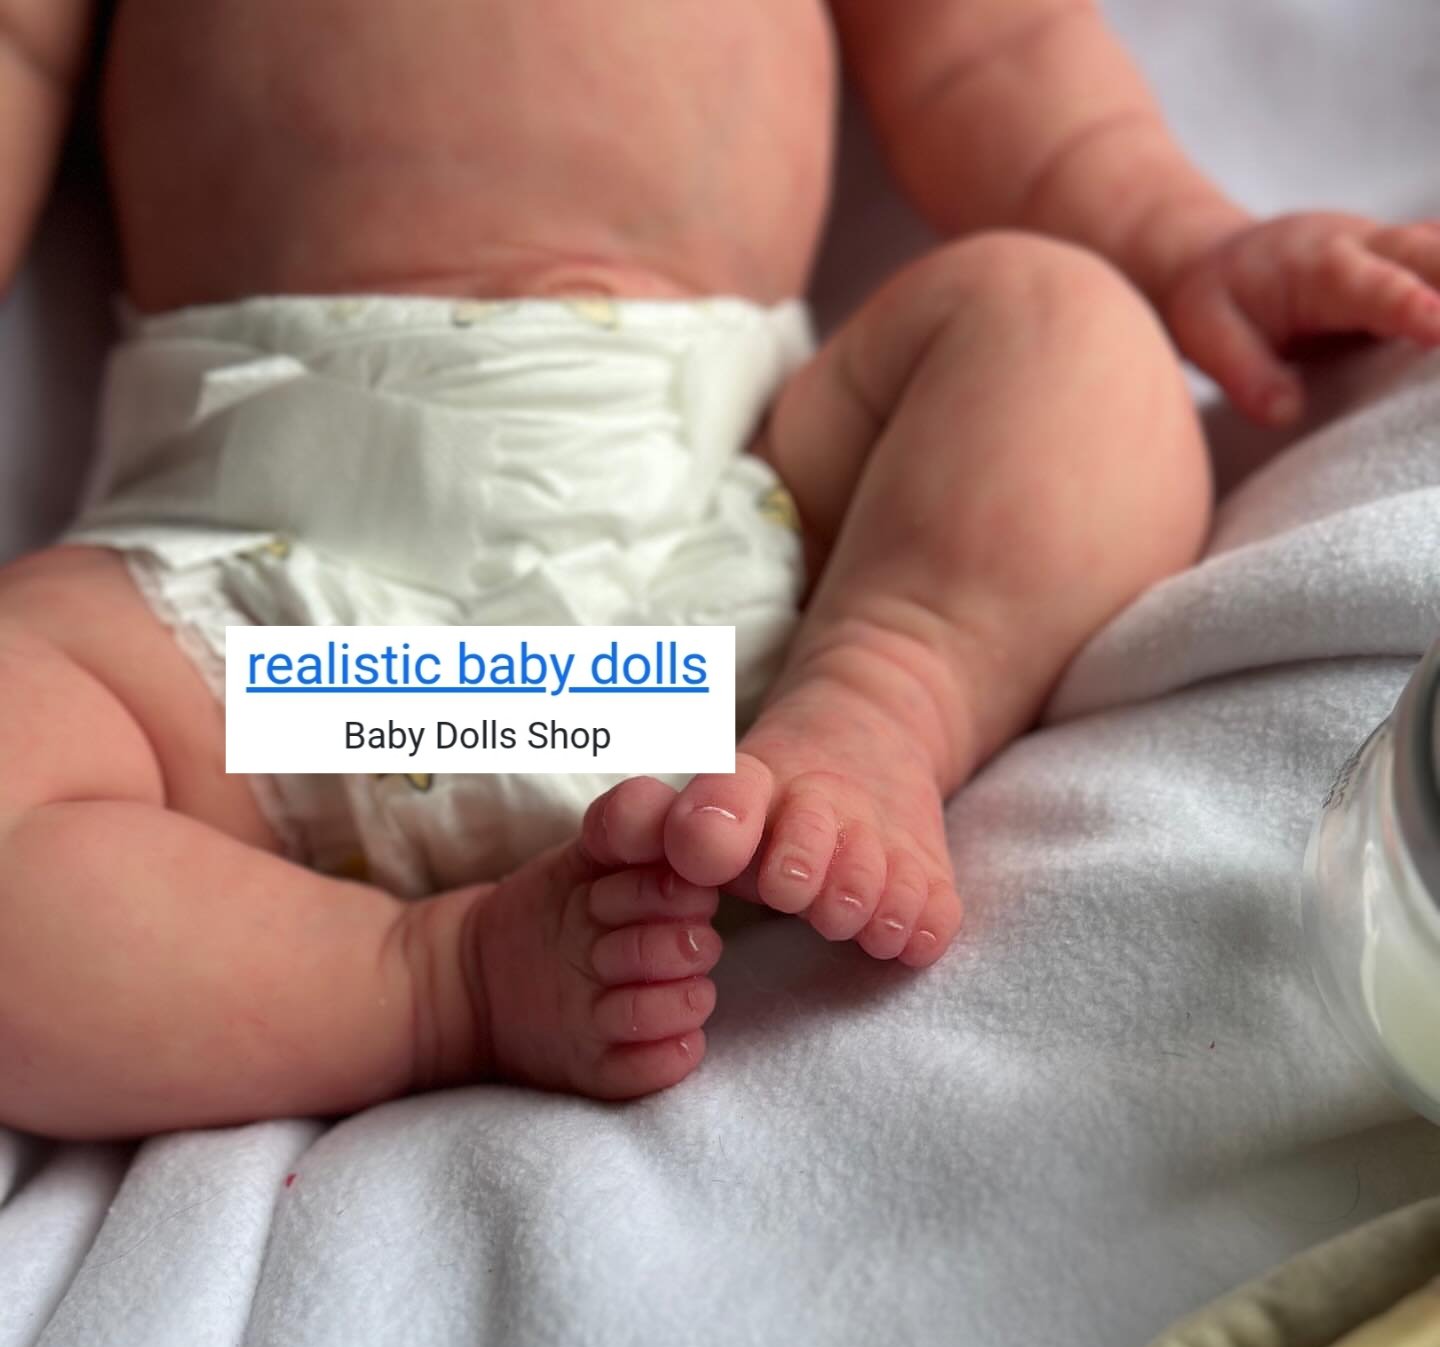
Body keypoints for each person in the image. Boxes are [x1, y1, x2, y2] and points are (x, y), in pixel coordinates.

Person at [2, 0, 1438, 1135]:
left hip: (717, 568)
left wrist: (1184, 240)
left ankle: (881, 702)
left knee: (1064, 326)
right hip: (274, 643)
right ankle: (435, 978)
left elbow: (991, 46)